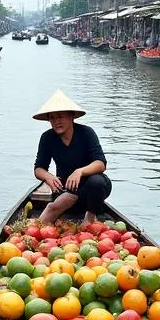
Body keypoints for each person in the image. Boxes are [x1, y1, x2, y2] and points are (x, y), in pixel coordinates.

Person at [33, 90, 111, 227]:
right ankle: (56, 207)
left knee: (97, 181)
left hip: (91, 191)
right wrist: (48, 177)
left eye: (60, 116)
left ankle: (90, 218)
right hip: (67, 190)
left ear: (71, 117)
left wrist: (80, 171)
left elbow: (100, 163)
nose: (56, 121)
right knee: (65, 197)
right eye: (52, 118)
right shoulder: (47, 138)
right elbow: (39, 168)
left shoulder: (87, 133)